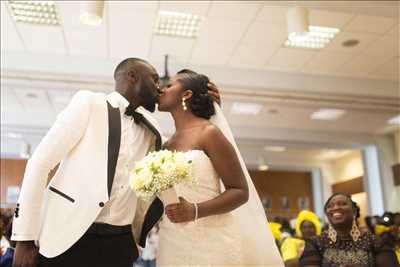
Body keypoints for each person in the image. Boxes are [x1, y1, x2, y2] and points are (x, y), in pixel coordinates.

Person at [10, 58, 220, 267]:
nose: (159, 87)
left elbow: (183, 153)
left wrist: (204, 107)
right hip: (67, 236)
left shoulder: (153, 129)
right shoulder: (89, 104)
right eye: (154, 79)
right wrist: (24, 239)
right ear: (132, 76)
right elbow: (39, 163)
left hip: (119, 247)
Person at [155, 69, 283, 266]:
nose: (162, 90)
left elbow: (240, 191)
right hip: (172, 241)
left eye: (169, 85)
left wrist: (194, 210)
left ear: (186, 95)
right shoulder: (166, 145)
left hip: (210, 241)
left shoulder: (208, 133)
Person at [300, 193, 398, 267]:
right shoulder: (315, 243)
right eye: (330, 206)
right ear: (327, 214)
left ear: (354, 211)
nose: (336, 208)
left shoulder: (374, 241)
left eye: (342, 204)